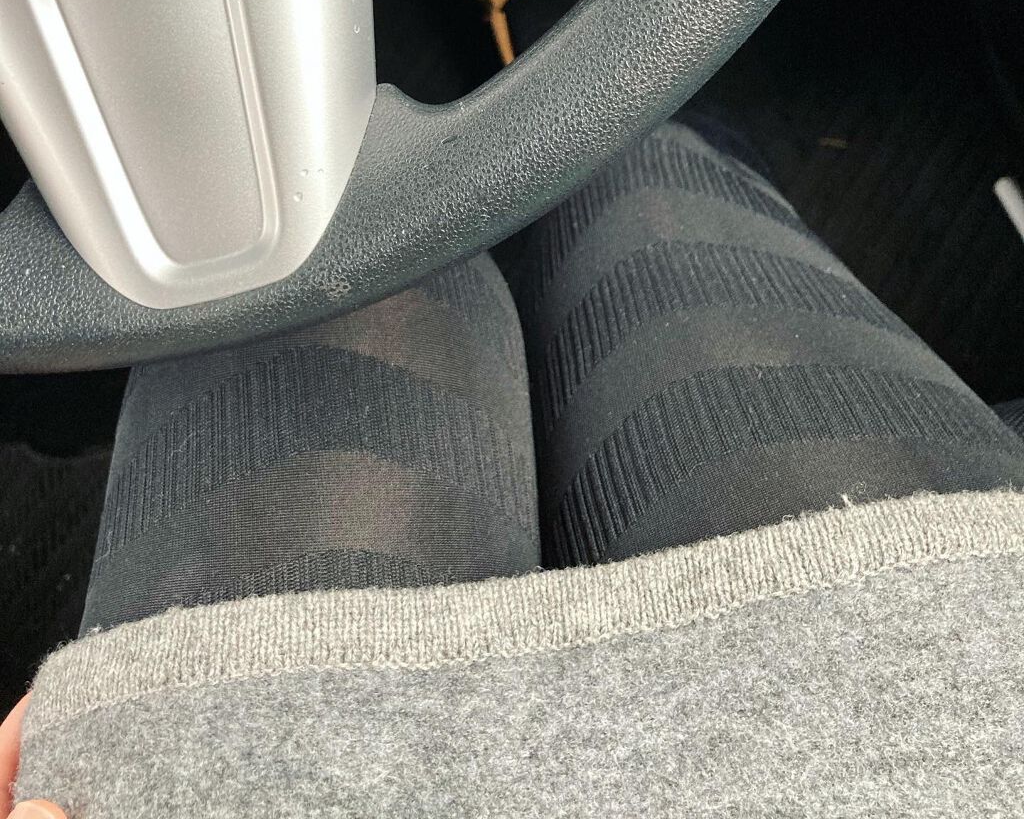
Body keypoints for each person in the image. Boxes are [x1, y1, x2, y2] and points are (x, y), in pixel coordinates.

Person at [9, 115, 1024, 816]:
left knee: (352, 224)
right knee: (642, 172)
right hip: (941, 702)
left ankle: (438, 65)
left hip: (254, 754)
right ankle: (552, 28)